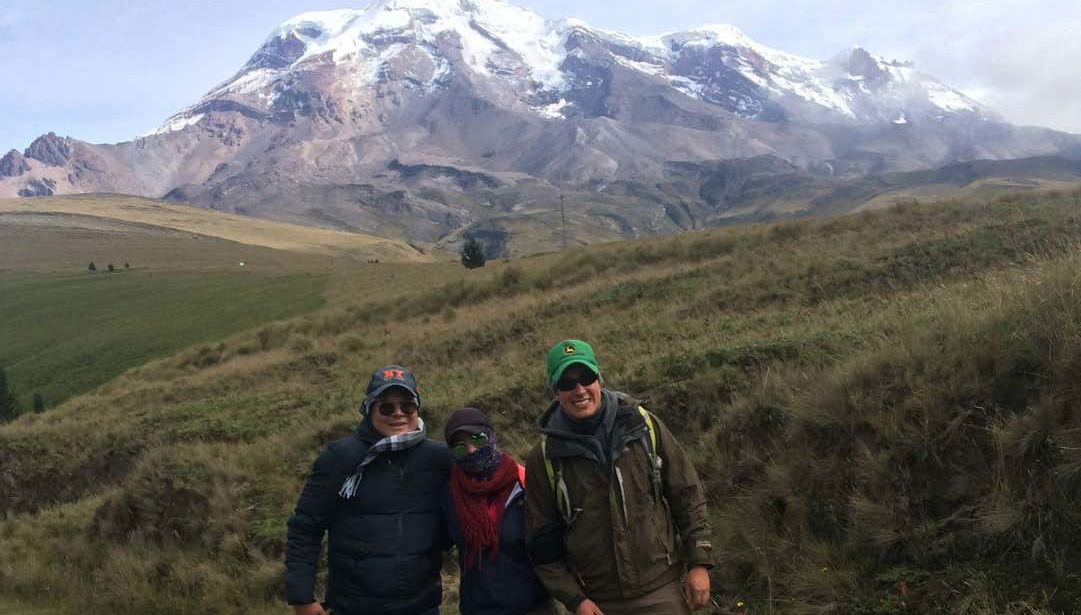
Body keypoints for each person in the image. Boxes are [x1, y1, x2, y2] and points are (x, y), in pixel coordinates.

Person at [524, 339, 715, 615]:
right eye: (567, 383)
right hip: (596, 602)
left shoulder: (643, 426)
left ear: (598, 378)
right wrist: (575, 600)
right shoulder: (544, 458)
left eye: (586, 377)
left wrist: (699, 562)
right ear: (555, 391)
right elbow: (541, 543)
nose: (579, 389)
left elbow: (687, 495)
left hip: (661, 590)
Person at [286, 365, 451, 615]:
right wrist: (302, 598)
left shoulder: (439, 458)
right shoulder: (339, 457)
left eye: (407, 406)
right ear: (369, 409)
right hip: (353, 607)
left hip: (422, 606)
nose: (398, 413)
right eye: (386, 407)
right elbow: (305, 529)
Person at [441, 407, 558, 615]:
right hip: (477, 610)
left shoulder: (525, 484)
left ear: (492, 436)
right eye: (459, 447)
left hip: (533, 608)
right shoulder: (450, 494)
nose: (471, 451)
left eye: (478, 439)